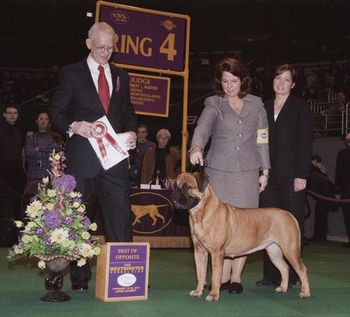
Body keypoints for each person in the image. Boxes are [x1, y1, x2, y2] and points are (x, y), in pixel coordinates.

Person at [49, 22, 137, 291]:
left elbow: (127, 112)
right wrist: (75, 126)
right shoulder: (70, 74)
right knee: (80, 220)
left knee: (121, 216)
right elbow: (56, 112)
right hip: (83, 160)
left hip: (115, 162)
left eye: (110, 48)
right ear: (88, 44)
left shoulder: (122, 75)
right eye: (100, 47)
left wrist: (132, 131)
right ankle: (80, 278)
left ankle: (126, 277)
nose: (105, 52)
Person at [189, 57, 270, 294]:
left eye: (233, 81)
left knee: (244, 227)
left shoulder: (257, 104)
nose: (229, 86)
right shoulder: (214, 103)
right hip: (219, 173)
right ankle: (221, 277)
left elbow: (262, 138)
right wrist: (196, 148)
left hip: (247, 172)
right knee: (218, 229)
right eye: (225, 81)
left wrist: (265, 171)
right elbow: (202, 128)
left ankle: (236, 278)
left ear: (242, 80)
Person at [256, 64, 312, 288]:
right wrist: (261, 171)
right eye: (278, 78)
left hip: (292, 176)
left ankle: (296, 274)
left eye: (286, 80)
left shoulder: (301, 107)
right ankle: (270, 275)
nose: (281, 83)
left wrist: (302, 174)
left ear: (293, 84)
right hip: (268, 175)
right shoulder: (263, 107)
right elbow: (259, 141)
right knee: (265, 225)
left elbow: (306, 143)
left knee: (292, 225)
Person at [0, 104, 26, 246]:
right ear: (4, 114)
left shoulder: (20, 131)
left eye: (15, 113)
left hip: (17, 176)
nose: (12, 115)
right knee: (4, 209)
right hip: (2, 176)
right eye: (9, 113)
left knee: (16, 208)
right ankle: (3, 241)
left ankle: (14, 241)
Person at [308, 154, 338, 241]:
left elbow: (314, 186)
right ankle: (321, 236)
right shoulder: (321, 171)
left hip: (322, 198)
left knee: (319, 217)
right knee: (322, 217)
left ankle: (318, 237)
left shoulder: (314, 173)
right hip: (325, 197)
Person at [25, 112, 61, 181]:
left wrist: (39, 148)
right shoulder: (30, 137)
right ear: (36, 121)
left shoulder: (55, 136)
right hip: (33, 174)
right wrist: (48, 148)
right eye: (41, 119)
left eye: (46, 119)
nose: (43, 121)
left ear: (49, 122)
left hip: (50, 174)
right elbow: (29, 152)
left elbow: (57, 149)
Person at [335, 133, 350, 248]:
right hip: (345, 190)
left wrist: (338, 189)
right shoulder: (342, 153)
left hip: (345, 190)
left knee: (347, 216)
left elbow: (338, 172)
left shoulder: (342, 153)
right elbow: (339, 172)